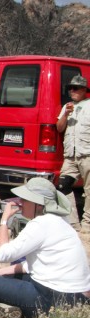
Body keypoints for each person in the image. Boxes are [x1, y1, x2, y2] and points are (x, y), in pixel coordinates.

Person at [0, 178, 90, 318]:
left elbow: (3, 255)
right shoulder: (60, 221)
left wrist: (4, 221)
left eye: (25, 199)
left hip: (54, 300)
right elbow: (33, 265)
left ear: (38, 204)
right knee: (5, 276)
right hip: (77, 297)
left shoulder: (40, 224)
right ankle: (11, 304)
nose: (20, 202)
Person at [56, 74, 90, 233]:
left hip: (87, 153)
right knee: (63, 184)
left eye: (75, 88)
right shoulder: (67, 106)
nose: (72, 91)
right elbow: (59, 128)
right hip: (71, 155)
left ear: (84, 90)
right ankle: (73, 222)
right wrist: (65, 114)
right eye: (70, 88)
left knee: (89, 190)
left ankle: (87, 224)